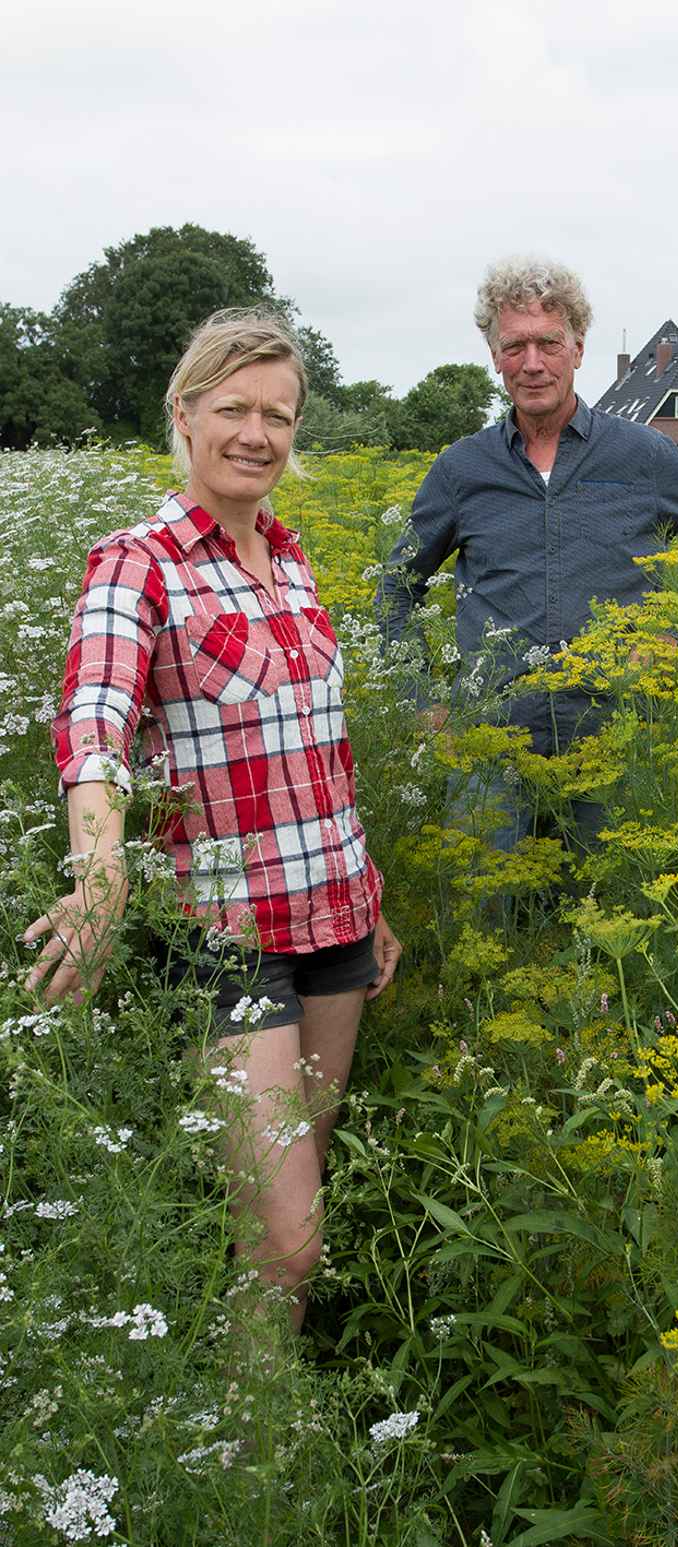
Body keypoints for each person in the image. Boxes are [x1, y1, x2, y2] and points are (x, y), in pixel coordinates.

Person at [26, 308, 401, 1333]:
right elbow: (92, 726)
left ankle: (268, 1424)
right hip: (226, 934)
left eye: (278, 415)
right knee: (287, 1235)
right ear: (185, 416)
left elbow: (323, 754)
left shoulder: (291, 560)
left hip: (336, 919)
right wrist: (101, 875)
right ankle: (250, 1453)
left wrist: (373, 902)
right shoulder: (135, 562)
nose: (257, 432)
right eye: (233, 407)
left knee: (292, 1201)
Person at [376, 256, 678, 849]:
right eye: (515, 346)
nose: (532, 364)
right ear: (494, 355)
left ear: (578, 349)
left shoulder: (643, 455)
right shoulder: (461, 469)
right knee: (483, 913)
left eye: (549, 343)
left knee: (607, 914)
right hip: (489, 744)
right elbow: (397, 588)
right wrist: (421, 704)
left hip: (613, 738)